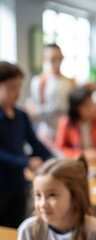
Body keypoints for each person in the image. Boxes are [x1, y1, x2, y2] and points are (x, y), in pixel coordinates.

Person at [0, 61, 53, 228]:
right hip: (1, 184)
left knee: (18, 226)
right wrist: (26, 162)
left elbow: (36, 143)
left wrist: (54, 161)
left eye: (19, 87)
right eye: (11, 88)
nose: (17, 93)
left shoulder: (21, 115)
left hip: (19, 183)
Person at [17, 157, 96, 239]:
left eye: (52, 195)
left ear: (75, 197)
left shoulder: (95, 230)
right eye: (38, 195)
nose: (42, 204)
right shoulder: (28, 230)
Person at [25, 43, 75, 149]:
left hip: (66, 132)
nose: (57, 62)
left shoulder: (69, 82)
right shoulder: (39, 81)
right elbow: (34, 110)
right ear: (45, 59)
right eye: (53, 59)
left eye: (60, 58)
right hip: (46, 132)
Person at [55, 85, 96, 162]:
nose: (92, 108)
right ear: (76, 109)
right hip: (75, 165)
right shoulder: (66, 122)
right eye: (87, 106)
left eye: (92, 103)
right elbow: (59, 150)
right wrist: (82, 154)